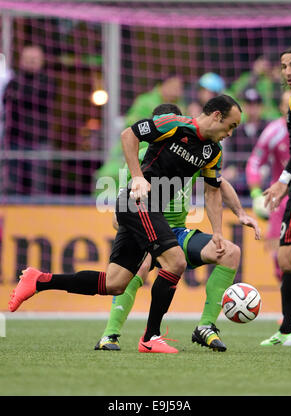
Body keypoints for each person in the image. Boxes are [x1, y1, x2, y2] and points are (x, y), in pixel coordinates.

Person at [9, 95, 242, 354]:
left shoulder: (212, 152)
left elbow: (212, 191)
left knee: (115, 283)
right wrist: (138, 177)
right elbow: (128, 135)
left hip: (146, 211)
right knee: (176, 262)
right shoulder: (174, 124)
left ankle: (39, 281)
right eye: (231, 126)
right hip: (138, 202)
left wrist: (219, 231)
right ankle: (150, 337)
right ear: (217, 116)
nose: (230, 133)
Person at [96, 104, 260, 352]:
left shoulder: (193, 148)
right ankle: (110, 334)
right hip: (146, 231)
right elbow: (121, 212)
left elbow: (219, 183)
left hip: (177, 234)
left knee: (230, 252)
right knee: (137, 267)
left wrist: (241, 213)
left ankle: (205, 327)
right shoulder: (141, 160)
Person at [261, 45, 291, 347]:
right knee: (287, 258)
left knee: (289, 257)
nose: (288, 71)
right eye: (284, 66)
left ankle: (288, 329)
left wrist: (283, 179)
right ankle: (287, 329)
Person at [93, 74, 185, 197]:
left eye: (180, 87)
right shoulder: (145, 102)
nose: (178, 91)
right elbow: (130, 129)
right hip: (134, 150)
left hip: (162, 154)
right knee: (108, 175)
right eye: (174, 86)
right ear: (163, 86)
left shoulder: (182, 106)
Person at [246, 91, 291, 281]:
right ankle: (290, 307)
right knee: (278, 256)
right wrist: (256, 194)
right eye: (286, 104)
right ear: (280, 107)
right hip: (281, 201)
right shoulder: (274, 131)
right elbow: (254, 162)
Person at [2, 45, 54, 195]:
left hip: (39, 141)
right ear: (21, 61)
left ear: (41, 61)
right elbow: (7, 99)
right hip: (14, 139)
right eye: (27, 59)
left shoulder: (47, 81)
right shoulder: (13, 81)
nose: (30, 63)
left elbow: (36, 99)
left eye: (34, 59)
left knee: (38, 185)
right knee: (11, 185)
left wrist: (20, 96)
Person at [222, 88, 268, 197]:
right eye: (249, 104)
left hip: (264, 172)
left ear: (261, 107)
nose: (253, 108)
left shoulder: (267, 128)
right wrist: (230, 169)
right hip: (240, 175)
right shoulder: (236, 130)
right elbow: (231, 158)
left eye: (256, 104)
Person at [226, 55, 281, 121]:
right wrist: (256, 75)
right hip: (245, 116)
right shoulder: (246, 77)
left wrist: (276, 80)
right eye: (261, 62)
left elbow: (280, 103)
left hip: (268, 118)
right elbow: (238, 95)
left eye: (267, 64)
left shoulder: (272, 81)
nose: (264, 66)